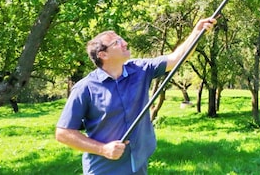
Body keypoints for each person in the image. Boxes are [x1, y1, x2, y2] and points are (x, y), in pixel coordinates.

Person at [55, 17, 216, 175]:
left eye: (121, 39)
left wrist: (197, 31)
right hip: (104, 169)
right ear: (103, 55)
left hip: (137, 164)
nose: (124, 43)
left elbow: (176, 58)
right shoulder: (85, 88)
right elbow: (63, 133)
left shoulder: (141, 70)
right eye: (117, 42)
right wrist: (102, 149)